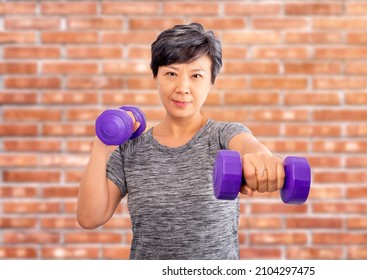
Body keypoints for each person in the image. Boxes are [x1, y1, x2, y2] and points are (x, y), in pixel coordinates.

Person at [77, 23, 285, 259]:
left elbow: (249, 146)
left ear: (211, 82)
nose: (183, 88)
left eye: (196, 76)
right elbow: (90, 217)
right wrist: (103, 143)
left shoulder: (223, 136)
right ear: (156, 77)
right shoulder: (131, 150)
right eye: (171, 74)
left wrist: (261, 158)